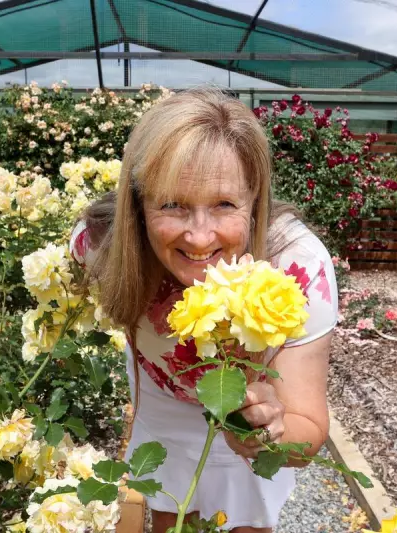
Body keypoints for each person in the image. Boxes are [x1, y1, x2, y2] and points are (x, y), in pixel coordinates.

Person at [70, 87, 338, 533]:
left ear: (255, 201)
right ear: (138, 205)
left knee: (247, 521)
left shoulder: (298, 270)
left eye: (224, 205)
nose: (199, 236)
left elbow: (308, 427)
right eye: (172, 204)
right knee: (167, 515)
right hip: (162, 410)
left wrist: (267, 433)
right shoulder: (99, 246)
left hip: (249, 425)